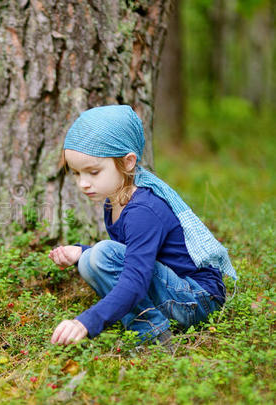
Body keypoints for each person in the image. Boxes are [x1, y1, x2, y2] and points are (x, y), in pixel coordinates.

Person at [48, 105, 237, 346]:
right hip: (175, 291)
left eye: (93, 172)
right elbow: (134, 257)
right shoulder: (114, 202)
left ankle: (153, 338)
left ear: (128, 162)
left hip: (198, 299)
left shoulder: (143, 210)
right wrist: (82, 252)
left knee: (101, 255)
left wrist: (86, 321)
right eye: (76, 173)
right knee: (90, 259)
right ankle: (153, 325)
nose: (83, 183)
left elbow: (134, 278)